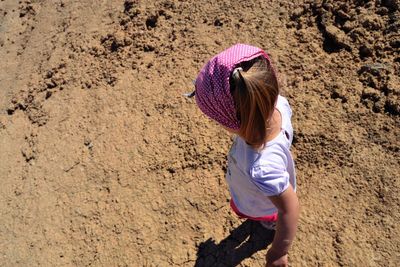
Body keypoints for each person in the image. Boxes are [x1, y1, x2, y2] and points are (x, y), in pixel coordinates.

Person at [186, 44, 299, 267]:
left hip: (261, 203)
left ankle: (269, 226)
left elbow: (289, 207)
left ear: (233, 121)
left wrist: (278, 251)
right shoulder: (279, 104)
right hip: (260, 188)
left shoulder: (261, 168)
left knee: (270, 218)